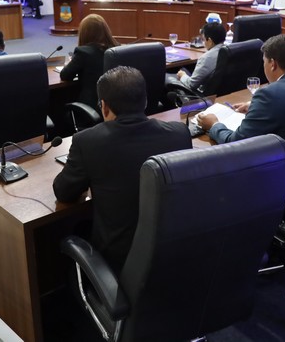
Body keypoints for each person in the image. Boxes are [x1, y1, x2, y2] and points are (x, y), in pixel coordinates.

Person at [53, 66, 193, 274]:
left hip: (120, 265)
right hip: (175, 254)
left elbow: (63, 192)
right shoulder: (179, 133)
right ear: (145, 101)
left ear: (104, 107)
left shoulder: (87, 141)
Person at [197, 34, 285, 195]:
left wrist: (214, 125)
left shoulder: (269, 95)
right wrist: (256, 106)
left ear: (273, 64)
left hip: (279, 182)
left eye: (264, 61)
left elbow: (236, 143)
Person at [60, 14, 119, 110]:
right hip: (116, 107)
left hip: (91, 108)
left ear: (84, 33)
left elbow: (65, 75)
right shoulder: (117, 49)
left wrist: (71, 63)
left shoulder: (83, 52)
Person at [174, 22, 226, 94]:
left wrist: (182, 75)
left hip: (203, 96)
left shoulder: (206, 58)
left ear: (210, 41)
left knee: (169, 76)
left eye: (203, 39)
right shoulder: (230, 51)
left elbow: (191, 85)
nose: (203, 43)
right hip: (224, 92)